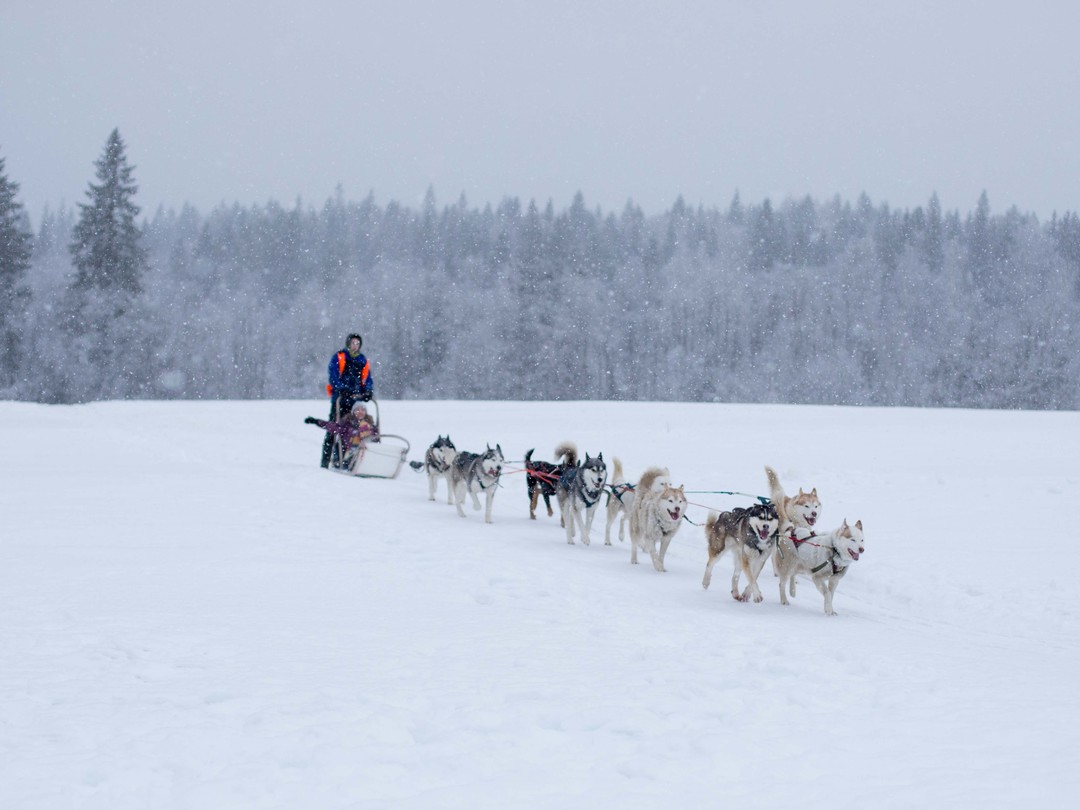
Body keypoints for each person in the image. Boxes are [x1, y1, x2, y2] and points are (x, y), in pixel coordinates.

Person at [321, 333, 375, 468]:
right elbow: (333, 376)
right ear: (348, 343)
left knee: (357, 430)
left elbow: (367, 378)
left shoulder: (362, 360)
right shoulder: (340, 357)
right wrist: (341, 388)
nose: (355, 345)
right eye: (353, 343)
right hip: (340, 399)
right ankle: (326, 462)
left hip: (355, 402)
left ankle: (352, 460)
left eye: (358, 343)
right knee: (334, 428)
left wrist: (368, 391)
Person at [306, 401, 378, 470]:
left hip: (365, 452)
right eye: (357, 410)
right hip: (348, 453)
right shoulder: (346, 424)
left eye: (363, 410)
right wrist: (316, 421)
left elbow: (375, 439)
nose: (360, 412)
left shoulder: (370, 425)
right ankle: (347, 463)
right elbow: (331, 426)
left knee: (369, 441)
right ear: (353, 412)